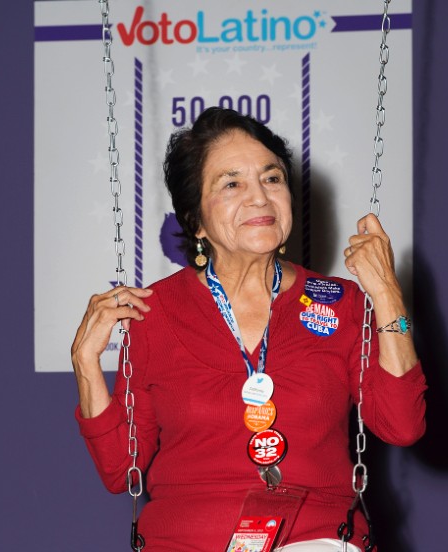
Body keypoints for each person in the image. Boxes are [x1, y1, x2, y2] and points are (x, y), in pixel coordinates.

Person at [70, 106, 428, 552]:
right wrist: (86, 364)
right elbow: (121, 469)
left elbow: (402, 425)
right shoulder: (153, 314)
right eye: (232, 183)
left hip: (314, 538)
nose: (260, 197)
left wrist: (388, 293)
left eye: (272, 178)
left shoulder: (340, 302)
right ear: (196, 220)